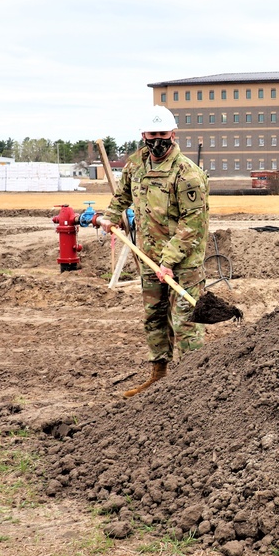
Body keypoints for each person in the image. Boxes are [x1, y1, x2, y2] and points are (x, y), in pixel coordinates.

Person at [97, 105, 210, 398]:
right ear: (143, 135)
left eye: (162, 134)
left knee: (186, 322)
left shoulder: (188, 173)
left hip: (183, 264)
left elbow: (192, 225)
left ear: (173, 134)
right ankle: (159, 377)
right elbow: (122, 193)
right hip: (148, 259)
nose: (157, 140)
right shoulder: (137, 164)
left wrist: (169, 261)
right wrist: (111, 215)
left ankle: (194, 384)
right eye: (151, 134)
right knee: (155, 319)